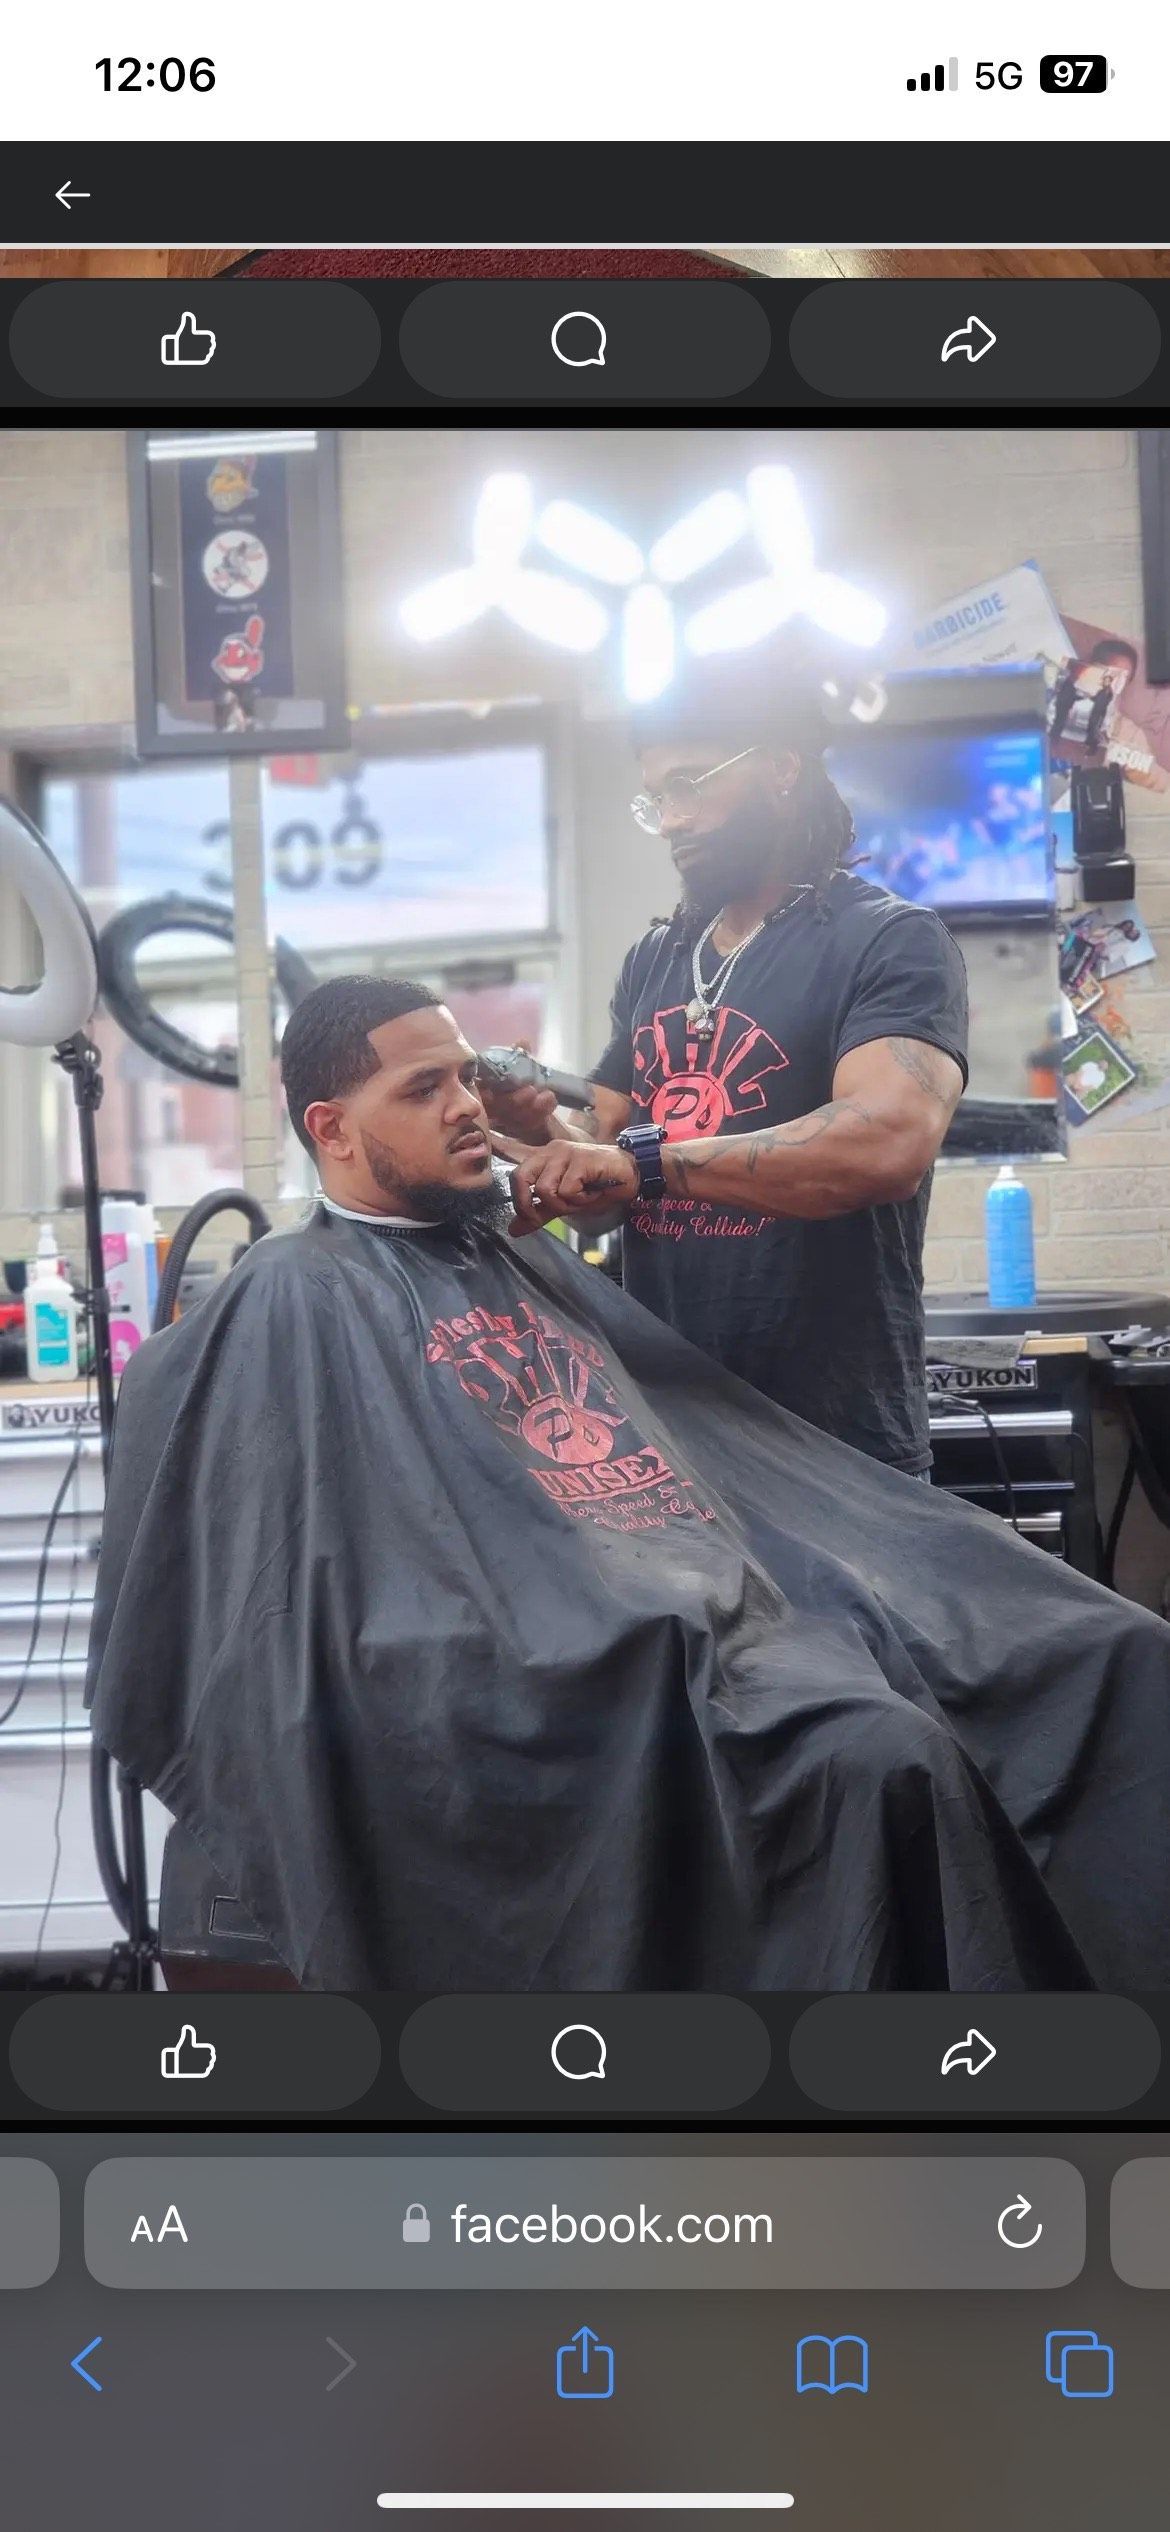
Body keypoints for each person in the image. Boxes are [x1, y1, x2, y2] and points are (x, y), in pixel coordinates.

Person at [87, 978, 1170, 1996]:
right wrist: (640, 1618)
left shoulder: (514, 1254)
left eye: (465, 1076)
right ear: (329, 1129)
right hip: (563, 1641)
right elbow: (306, 1591)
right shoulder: (291, 1295)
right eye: (423, 1090)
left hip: (709, 1574)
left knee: (1105, 1651)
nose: (468, 1107)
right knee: (881, 1756)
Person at [483, 654, 968, 1475]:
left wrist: (639, 1163)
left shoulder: (887, 940)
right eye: (656, 798)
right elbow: (606, 1197)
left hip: (837, 1441)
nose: (671, 818)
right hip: (676, 1434)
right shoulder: (656, 959)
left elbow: (886, 1142)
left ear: (781, 769)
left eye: (691, 784)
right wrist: (542, 1129)